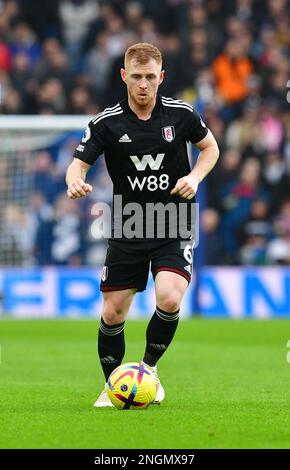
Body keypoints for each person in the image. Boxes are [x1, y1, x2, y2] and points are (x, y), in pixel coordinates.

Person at [66, 43, 219, 407]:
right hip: (129, 224)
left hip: (174, 220)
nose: (144, 85)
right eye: (136, 77)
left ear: (161, 77)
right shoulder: (106, 122)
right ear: (124, 76)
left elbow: (210, 148)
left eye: (151, 77)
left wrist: (195, 178)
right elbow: (78, 163)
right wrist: (74, 180)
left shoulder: (181, 115)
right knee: (112, 311)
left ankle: (148, 372)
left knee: (168, 297)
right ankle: (112, 385)